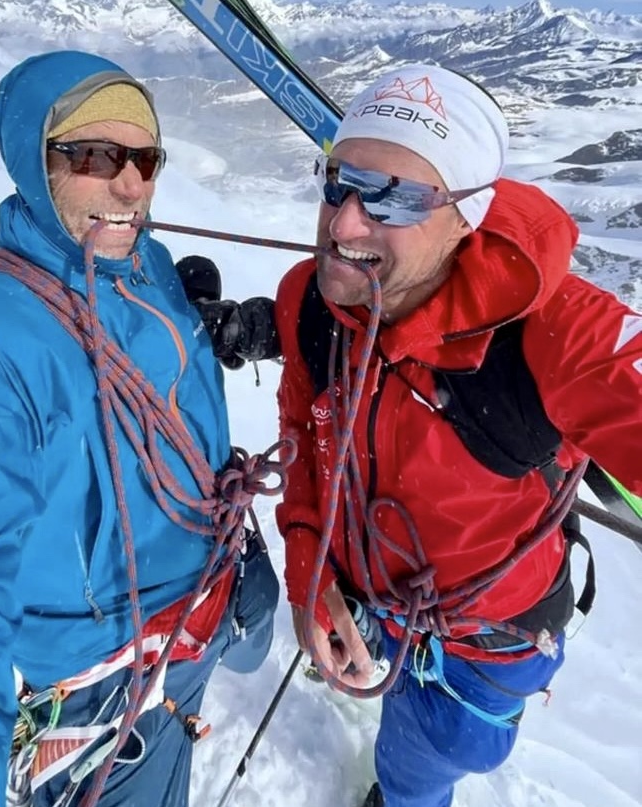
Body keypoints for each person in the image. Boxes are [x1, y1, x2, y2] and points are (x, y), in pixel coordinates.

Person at [0, 50, 284, 807]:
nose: (129, 181)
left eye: (144, 157)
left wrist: (217, 332)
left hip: (218, 585)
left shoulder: (145, 263)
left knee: (245, 650)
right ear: (37, 161)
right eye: (94, 155)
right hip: (112, 692)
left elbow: (126, 344)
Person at [274, 64, 642, 807]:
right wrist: (309, 569)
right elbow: (302, 426)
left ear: (468, 216)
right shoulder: (309, 302)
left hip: (487, 640)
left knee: (417, 762)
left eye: (398, 198)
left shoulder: (553, 327)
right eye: (339, 181)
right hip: (365, 585)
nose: (345, 223)